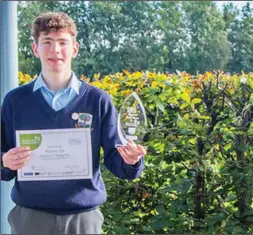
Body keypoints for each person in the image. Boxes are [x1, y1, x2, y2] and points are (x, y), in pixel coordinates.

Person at [0, 12, 147, 234]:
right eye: (47, 42)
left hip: (83, 220)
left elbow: (118, 162)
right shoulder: (15, 100)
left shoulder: (98, 100)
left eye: (62, 42)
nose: (55, 50)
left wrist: (132, 160)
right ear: (35, 49)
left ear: (75, 49)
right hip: (29, 219)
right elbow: (3, 162)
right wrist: (5, 160)